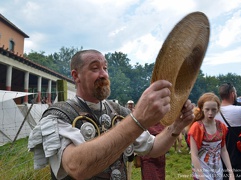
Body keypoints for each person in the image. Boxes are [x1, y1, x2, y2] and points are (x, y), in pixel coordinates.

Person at [28, 49, 195, 180]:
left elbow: (154, 147)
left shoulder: (120, 112)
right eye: (95, 68)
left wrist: (177, 125)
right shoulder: (59, 115)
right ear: (75, 75)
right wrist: (137, 120)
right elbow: (76, 168)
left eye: (105, 68)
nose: (104, 74)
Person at [188, 92, 234, 180]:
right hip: (202, 171)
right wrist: (201, 177)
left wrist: (231, 173)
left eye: (213, 109)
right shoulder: (197, 127)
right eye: (207, 109)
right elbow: (194, 155)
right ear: (201, 109)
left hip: (218, 170)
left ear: (218, 109)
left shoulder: (221, 126)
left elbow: (223, 150)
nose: (210, 113)